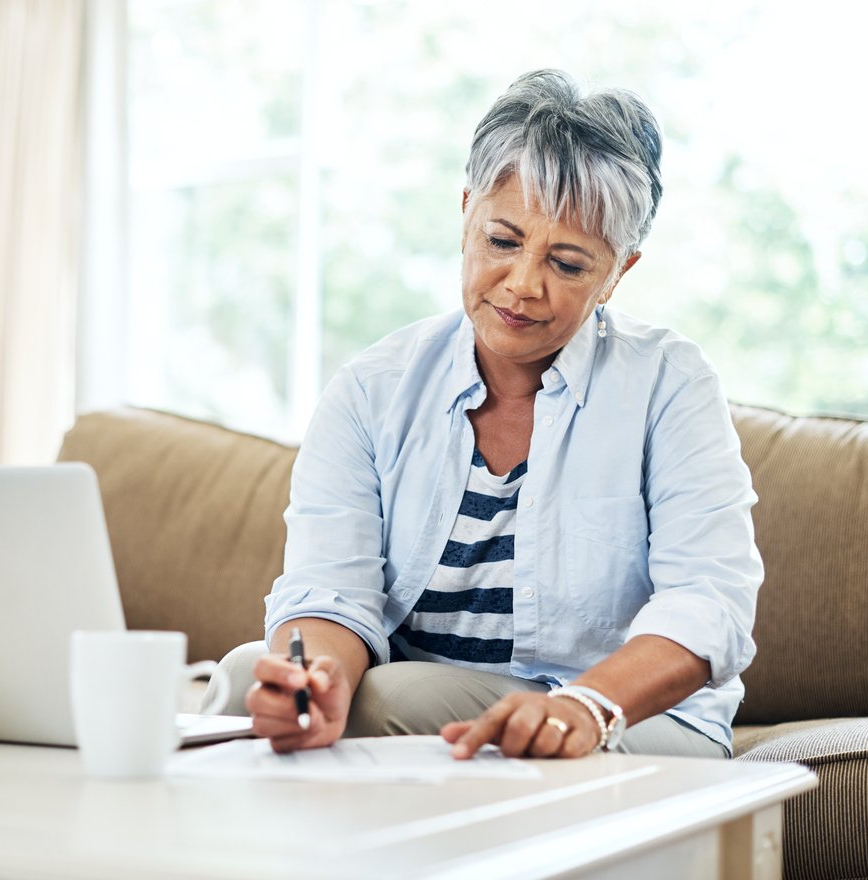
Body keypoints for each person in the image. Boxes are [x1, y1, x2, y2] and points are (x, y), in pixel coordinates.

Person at [215, 69, 762, 760]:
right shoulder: (371, 389)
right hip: (432, 700)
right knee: (244, 679)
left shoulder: (667, 383)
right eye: (502, 241)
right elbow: (329, 591)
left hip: (625, 720)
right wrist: (315, 679)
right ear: (467, 209)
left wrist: (585, 705)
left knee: (391, 699)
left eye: (566, 264)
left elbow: (708, 602)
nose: (523, 284)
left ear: (618, 272)